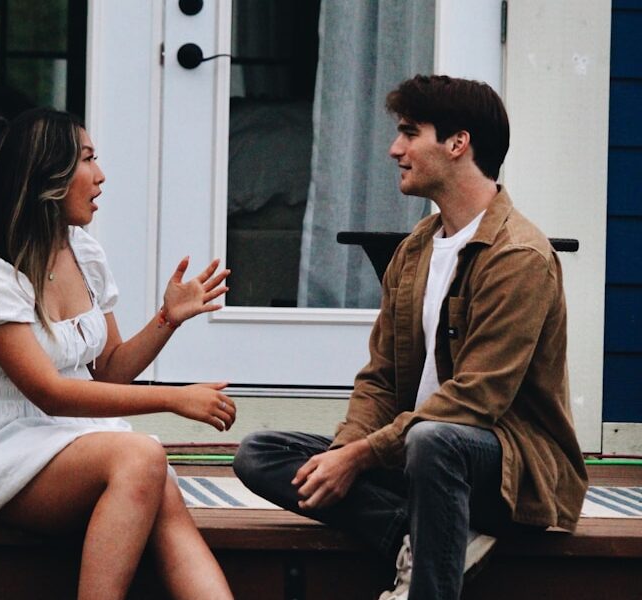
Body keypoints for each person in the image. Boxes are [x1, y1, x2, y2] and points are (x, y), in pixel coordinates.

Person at [233, 75, 588, 600]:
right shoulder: (418, 247)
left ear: (457, 143)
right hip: (418, 457)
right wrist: (346, 450)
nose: (394, 149)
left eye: (409, 133)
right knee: (260, 453)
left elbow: (475, 401)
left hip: (506, 468)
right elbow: (380, 377)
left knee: (434, 439)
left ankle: (426, 577)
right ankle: (424, 535)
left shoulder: (518, 257)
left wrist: (357, 459)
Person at [0, 107, 235, 600]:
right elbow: (49, 393)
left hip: (77, 441)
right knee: (141, 454)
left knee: (161, 492)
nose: (101, 175)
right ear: (46, 177)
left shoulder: (83, 253)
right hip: (1, 448)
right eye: (88, 160)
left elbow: (109, 370)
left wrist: (167, 320)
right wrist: (173, 398)